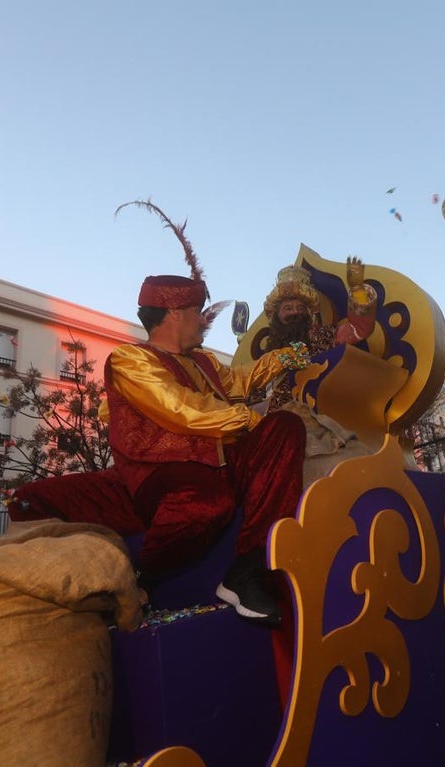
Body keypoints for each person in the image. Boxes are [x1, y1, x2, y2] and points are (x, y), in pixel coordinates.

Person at [103, 203, 308, 626]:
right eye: (199, 314)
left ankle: (248, 569)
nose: (204, 323)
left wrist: (285, 356)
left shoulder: (205, 363)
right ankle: (143, 578)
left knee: (286, 427)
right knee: (206, 502)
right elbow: (182, 409)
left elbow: (240, 382)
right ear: (175, 314)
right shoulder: (130, 360)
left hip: (221, 461)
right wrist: (248, 421)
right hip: (167, 472)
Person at [257, 260, 377, 413]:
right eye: (288, 308)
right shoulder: (265, 359)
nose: (295, 312)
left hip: (318, 423)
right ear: (276, 315)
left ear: (309, 314)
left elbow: (359, 328)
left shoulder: (327, 336)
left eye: (301, 308)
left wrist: (359, 292)